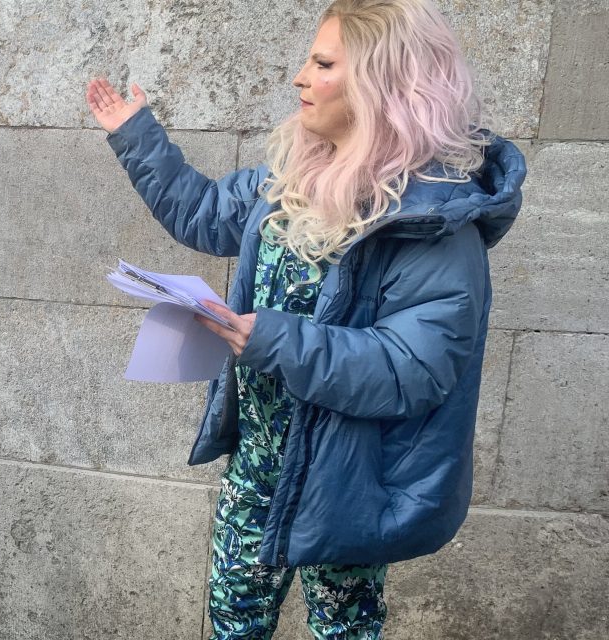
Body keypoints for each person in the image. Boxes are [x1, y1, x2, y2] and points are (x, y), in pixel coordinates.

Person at [85, 0, 526, 638]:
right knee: (232, 620)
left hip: (345, 481)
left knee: (342, 628)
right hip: (257, 465)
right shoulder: (295, 175)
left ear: (383, 83)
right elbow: (205, 213)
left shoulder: (434, 226)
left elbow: (412, 370)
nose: (300, 77)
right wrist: (136, 136)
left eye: (322, 64)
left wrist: (273, 340)